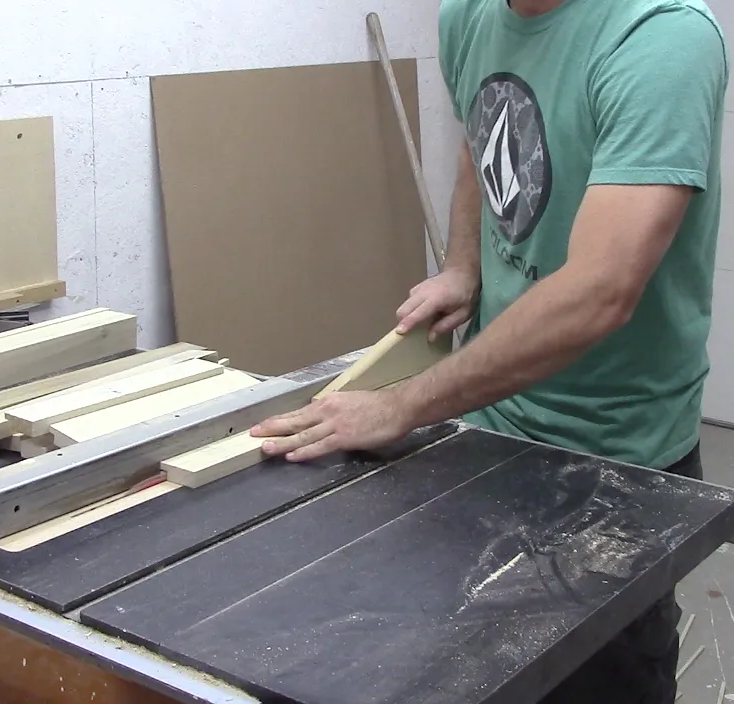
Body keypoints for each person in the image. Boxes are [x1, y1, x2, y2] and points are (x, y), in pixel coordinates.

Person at [250, 0, 728, 701]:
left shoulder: (659, 36)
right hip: (491, 424)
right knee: (478, 667)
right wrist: (463, 265)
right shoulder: (469, 15)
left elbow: (599, 291)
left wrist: (399, 406)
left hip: (616, 448)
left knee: (604, 678)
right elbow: (485, 144)